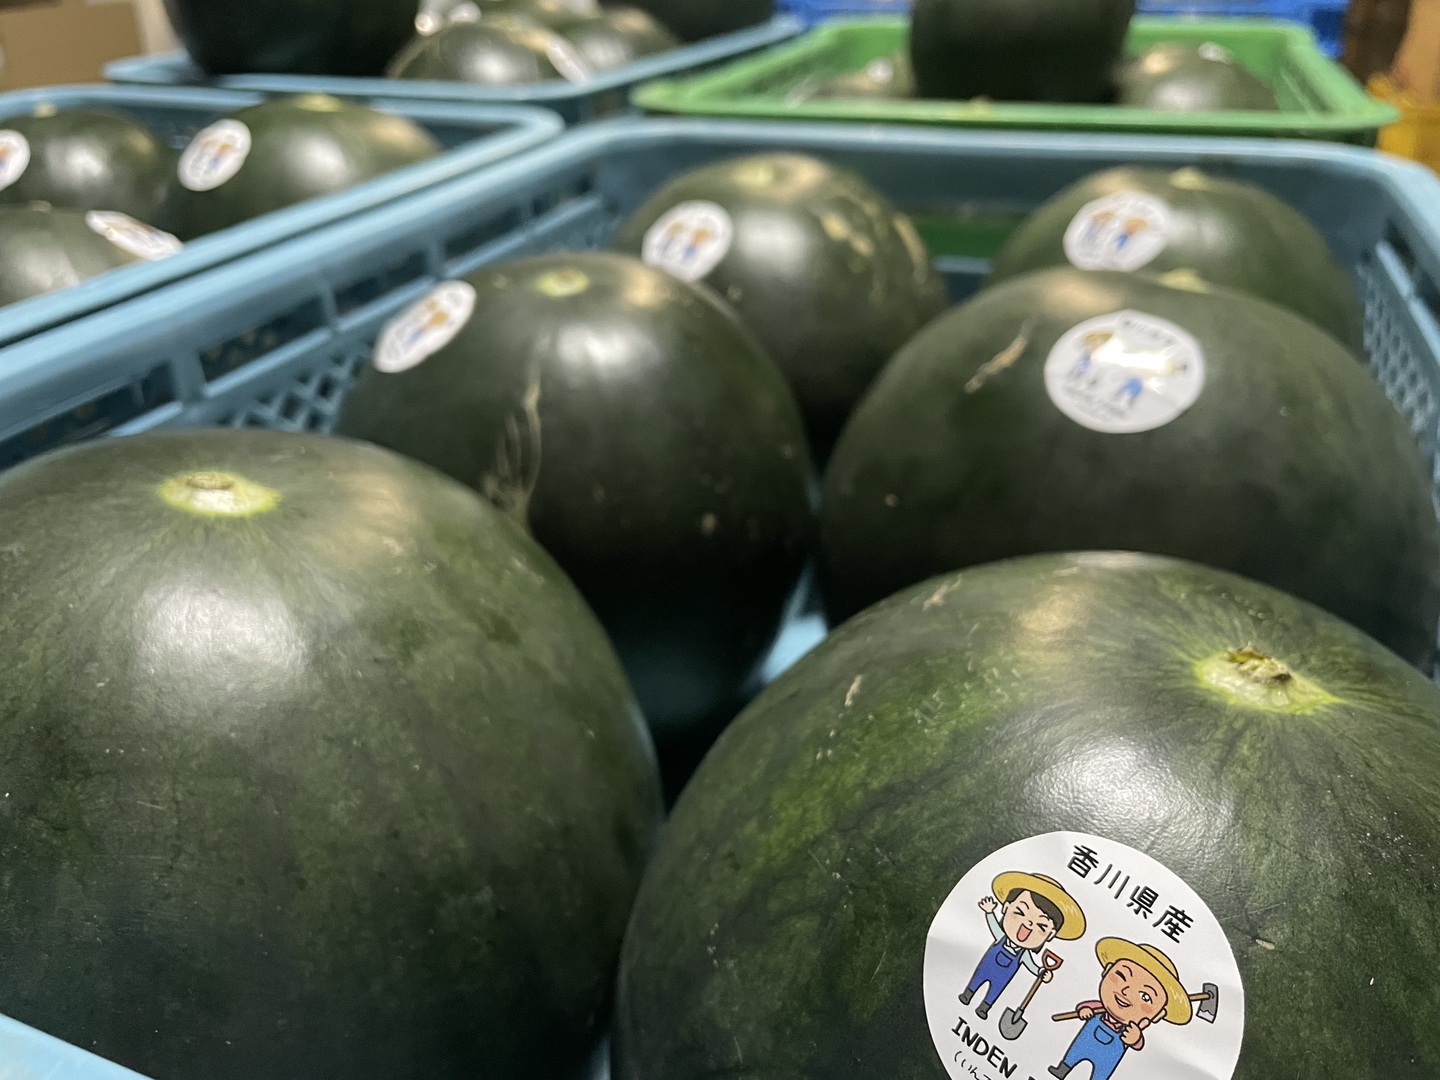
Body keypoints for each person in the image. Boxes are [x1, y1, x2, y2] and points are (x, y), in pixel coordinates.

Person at [1048, 937, 1193, 1080]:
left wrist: (1134, 1038)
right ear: (1107, 970)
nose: (1126, 992)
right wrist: (1084, 1010)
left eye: (1145, 996)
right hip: (1089, 1036)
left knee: (1102, 1070)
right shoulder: (1100, 1009)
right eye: (1121, 975)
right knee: (1075, 1052)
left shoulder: (1132, 1029)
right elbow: (1088, 1006)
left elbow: (1138, 1044)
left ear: (1158, 1015)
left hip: (1112, 1050)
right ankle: (1063, 1069)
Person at [959, 872, 1085, 1020]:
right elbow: (994, 926)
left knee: (996, 990)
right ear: (1006, 907)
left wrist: (1041, 972)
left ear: (1050, 934)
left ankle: (984, 1008)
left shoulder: (1024, 954)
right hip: (988, 964)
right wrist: (989, 912)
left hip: (1004, 976)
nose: (1029, 923)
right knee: (978, 977)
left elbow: (1031, 965)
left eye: (1041, 926)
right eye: (1020, 912)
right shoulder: (1001, 937)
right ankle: (967, 994)